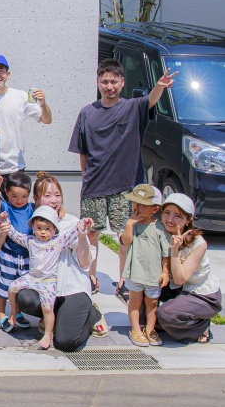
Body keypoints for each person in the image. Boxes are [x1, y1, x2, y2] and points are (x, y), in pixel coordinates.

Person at [68, 58, 176, 283]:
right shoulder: (87, 113)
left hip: (125, 187)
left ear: (122, 82)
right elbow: (83, 152)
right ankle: (90, 277)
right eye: (105, 82)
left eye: (114, 81)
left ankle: (124, 281)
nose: (109, 86)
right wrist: (87, 177)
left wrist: (160, 86)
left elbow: (150, 100)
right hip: (94, 186)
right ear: (98, 82)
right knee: (92, 234)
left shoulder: (132, 108)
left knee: (124, 236)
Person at [16, 173, 108, 351]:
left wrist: (82, 237)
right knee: (24, 298)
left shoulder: (71, 223)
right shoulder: (33, 223)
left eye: (57, 195)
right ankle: (55, 315)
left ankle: (91, 313)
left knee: (66, 342)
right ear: (36, 198)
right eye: (47, 195)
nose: (54, 200)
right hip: (47, 287)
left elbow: (85, 263)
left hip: (71, 289)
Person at [0, 207, 93, 350]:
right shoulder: (30, 240)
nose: (43, 232)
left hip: (48, 281)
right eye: (39, 228)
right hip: (32, 277)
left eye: (48, 229)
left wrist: (83, 223)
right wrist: (5, 220)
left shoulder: (58, 241)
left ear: (54, 230)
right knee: (12, 288)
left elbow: (73, 233)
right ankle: (13, 313)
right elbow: (14, 234)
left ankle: (48, 334)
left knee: (47, 308)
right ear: (33, 227)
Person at [0, 54, 52, 187]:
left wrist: (43, 103)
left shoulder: (21, 97)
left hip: (15, 167)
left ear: (8, 74)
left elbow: (46, 120)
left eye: (1, 71)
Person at [157, 194, 220, 343]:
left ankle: (200, 324)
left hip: (201, 295)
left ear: (188, 220)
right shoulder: (160, 233)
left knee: (165, 314)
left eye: (178, 216)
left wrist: (175, 250)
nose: (170, 219)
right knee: (144, 313)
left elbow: (180, 278)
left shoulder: (198, 243)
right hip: (175, 289)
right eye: (167, 213)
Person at [120, 184, 169, 347]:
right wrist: (129, 224)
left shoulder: (159, 227)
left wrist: (165, 271)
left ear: (155, 209)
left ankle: (150, 329)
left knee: (152, 303)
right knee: (134, 301)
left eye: (142, 205)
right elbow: (126, 242)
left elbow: (166, 252)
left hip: (153, 273)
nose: (137, 207)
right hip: (135, 271)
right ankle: (135, 329)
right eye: (135, 203)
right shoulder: (131, 224)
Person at [0, 170, 35, 331]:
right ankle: (1, 313)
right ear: (7, 193)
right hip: (8, 255)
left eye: (23, 196)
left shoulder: (32, 209)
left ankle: (18, 312)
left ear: (29, 195)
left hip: (26, 256)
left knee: (21, 286)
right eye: (14, 196)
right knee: (4, 284)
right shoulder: (6, 207)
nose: (19, 200)